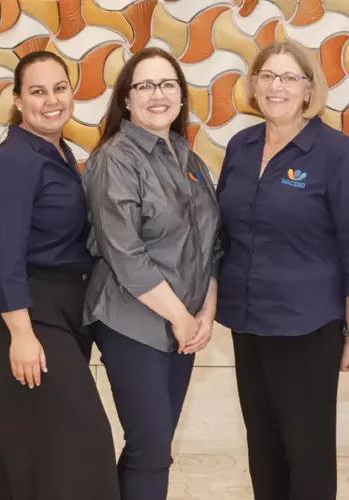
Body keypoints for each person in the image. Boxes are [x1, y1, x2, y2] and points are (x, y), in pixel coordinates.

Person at [0, 50, 119, 500]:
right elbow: (2, 256)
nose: (51, 100)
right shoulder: (15, 161)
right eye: (37, 91)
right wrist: (21, 334)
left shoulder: (59, 153)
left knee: (30, 450)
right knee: (83, 446)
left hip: (57, 310)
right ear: (17, 101)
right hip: (22, 316)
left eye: (59, 88)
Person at [83, 47, 221, 500]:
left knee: (154, 447)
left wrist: (204, 313)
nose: (157, 94)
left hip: (185, 325)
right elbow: (124, 252)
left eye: (167, 84)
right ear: (126, 99)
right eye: (145, 85)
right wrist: (181, 317)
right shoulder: (115, 158)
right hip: (131, 321)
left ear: (181, 96)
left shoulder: (188, 159)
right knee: (151, 446)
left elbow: (212, 245)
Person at [216, 39, 349, 500]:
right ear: (254, 85)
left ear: (309, 89)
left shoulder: (335, 153)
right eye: (268, 76)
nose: (277, 87)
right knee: (263, 444)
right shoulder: (241, 145)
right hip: (247, 321)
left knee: (306, 449)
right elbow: (224, 231)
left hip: (307, 325)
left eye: (290, 77)